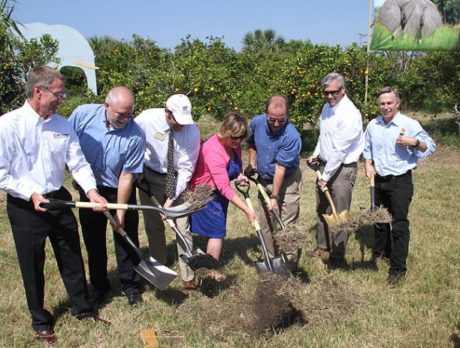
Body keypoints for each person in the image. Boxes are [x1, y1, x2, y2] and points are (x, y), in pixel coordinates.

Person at [0, 66, 109, 344]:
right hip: (26, 205)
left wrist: (92, 191)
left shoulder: (63, 125)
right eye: (59, 94)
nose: (62, 100)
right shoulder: (8, 125)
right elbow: (2, 174)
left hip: (58, 198)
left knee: (72, 254)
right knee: (32, 263)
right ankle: (40, 320)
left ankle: (83, 308)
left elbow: (78, 162)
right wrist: (31, 194)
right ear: (39, 91)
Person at [69, 86, 145, 306]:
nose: (126, 118)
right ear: (106, 105)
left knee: (125, 236)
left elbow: (127, 177)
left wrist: (120, 211)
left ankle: (130, 286)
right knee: (94, 240)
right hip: (89, 189)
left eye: (130, 113)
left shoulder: (136, 135)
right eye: (121, 113)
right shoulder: (82, 114)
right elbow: (67, 144)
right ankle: (100, 286)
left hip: (119, 189)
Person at [363, 86, 435, 285]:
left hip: (400, 182)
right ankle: (381, 253)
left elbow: (430, 147)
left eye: (389, 103)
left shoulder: (408, 124)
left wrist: (414, 142)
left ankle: (397, 268)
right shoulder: (373, 125)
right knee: (380, 220)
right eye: (382, 103)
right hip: (378, 181)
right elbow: (367, 148)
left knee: (399, 224)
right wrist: (368, 165)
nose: (385, 107)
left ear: (397, 103)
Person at [134, 94, 200, 290]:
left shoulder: (192, 133)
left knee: (182, 227)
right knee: (154, 227)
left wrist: (170, 201)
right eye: (176, 121)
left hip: (177, 179)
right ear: (167, 112)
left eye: (183, 121)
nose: (180, 125)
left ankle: (188, 275)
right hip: (148, 178)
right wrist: (137, 171)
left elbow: (187, 168)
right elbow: (133, 142)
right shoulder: (146, 119)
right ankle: (159, 266)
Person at [189, 112, 257, 281]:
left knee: (215, 229)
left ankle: (207, 263)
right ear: (225, 132)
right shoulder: (213, 151)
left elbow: (233, 168)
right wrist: (247, 210)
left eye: (241, 138)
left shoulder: (235, 144)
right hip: (206, 194)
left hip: (219, 193)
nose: (238, 142)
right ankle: (210, 271)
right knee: (217, 232)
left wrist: (239, 175)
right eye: (234, 138)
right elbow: (224, 187)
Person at [306, 72, 364, 262]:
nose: (330, 96)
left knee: (339, 211)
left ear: (343, 90)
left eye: (334, 92)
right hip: (325, 165)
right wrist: (316, 155)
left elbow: (340, 150)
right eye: (326, 93)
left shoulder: (350, 114)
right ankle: (323, 246)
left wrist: (325, 176)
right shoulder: (326, 108)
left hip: (342, 169)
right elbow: (324, 137)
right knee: (322, 207)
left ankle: (338, 254)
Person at [245, 95, 302, 269]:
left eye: (281, 120)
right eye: (272, 120)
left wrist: (275, 197)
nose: (276, 124)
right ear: (265, 115)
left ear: (287, 116)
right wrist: (252, 164)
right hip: (263, 179)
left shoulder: (292, 136)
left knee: (287, 223)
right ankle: (270, 259)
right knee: (266, 222)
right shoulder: (257, 123)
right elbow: (252, 142)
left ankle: (289, 264)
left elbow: (280, 168)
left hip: (288, 181)